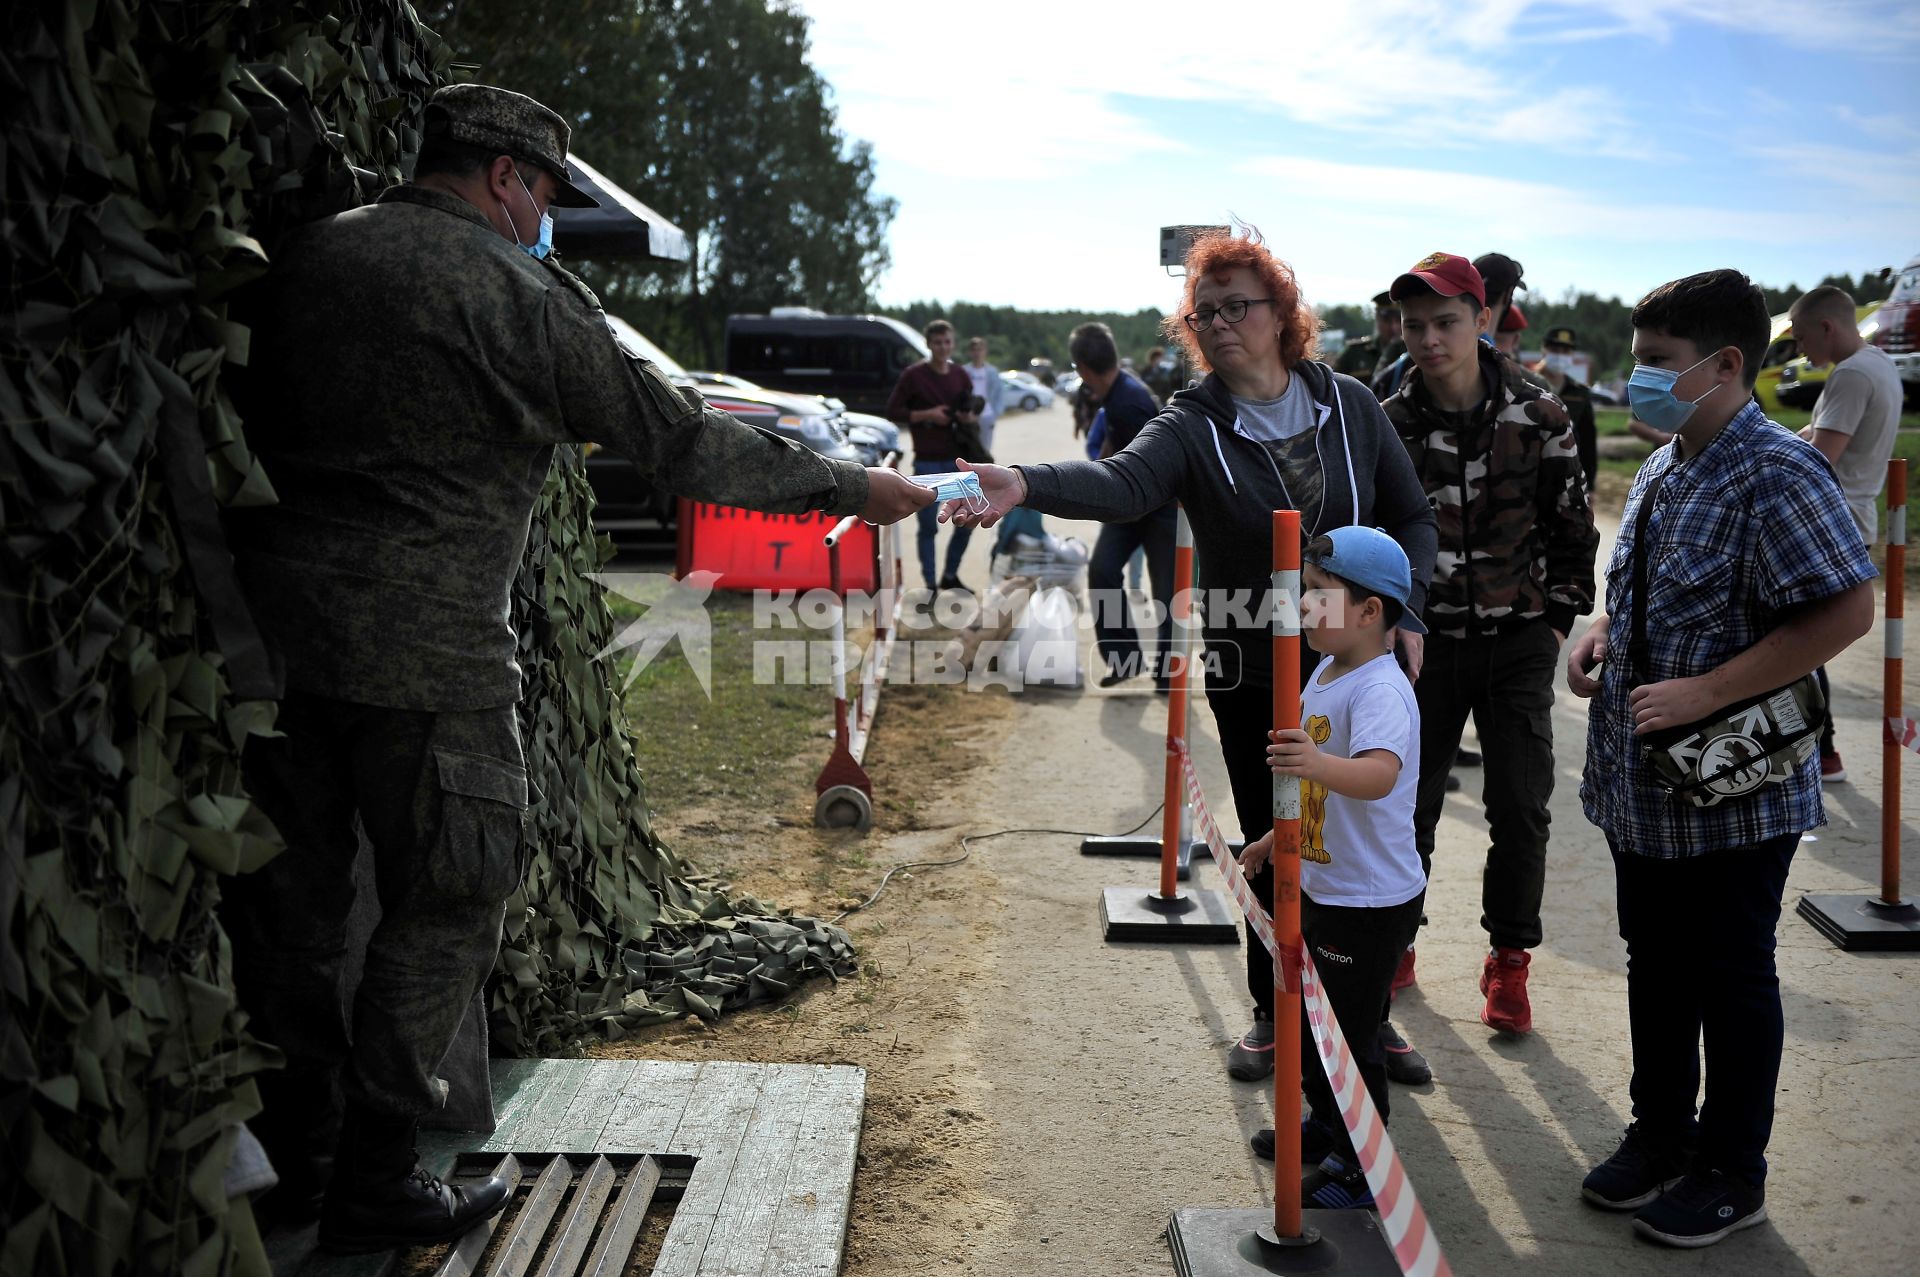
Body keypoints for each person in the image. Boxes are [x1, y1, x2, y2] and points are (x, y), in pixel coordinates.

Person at [222, 83, 930, 1254]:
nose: (544, 216)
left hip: (281, 653)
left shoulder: (308, 258)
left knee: (294, 912)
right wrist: (856, 488)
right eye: (544, 192)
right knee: (449, 899)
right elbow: (682, 438)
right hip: (434, 659)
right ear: (506, 177)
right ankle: (382, 1167)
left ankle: (296, 1154)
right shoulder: (513, 291)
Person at [936, 226, 1437, 1085]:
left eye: (1236, 305)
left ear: (1282, 313)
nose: (1217, 323)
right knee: (1271, 832)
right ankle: (1277, 1008)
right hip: (1253, 666)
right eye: (1202, 313)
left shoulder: (1351, 404)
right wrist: (1028, 481)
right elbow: (1125, 482)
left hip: (1360, 668)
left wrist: (1409, 612)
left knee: (1376, 831)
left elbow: (1414, 515)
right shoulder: (1193, 421)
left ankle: (1364, 1012)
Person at [1569, 268, 1875, 1249]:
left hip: (1734, 787)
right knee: (1657, 964)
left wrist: (1708, 691)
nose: (1639, 379)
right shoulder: (1668, 461)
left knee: (1730, 972)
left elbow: (1845, 607)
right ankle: (1662, 1133)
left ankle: (1731, 1168)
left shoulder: (1779, 470)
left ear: (1725, 364)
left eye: (1657, 362)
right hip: (1644, 790)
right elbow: (1657, 586)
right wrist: (1606, 630)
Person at [1383, 251, 1598, 1037]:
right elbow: (1365, 539)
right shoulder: (1387, 420)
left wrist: (1551, 627)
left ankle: (1510, 960)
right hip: (1419, 645)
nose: (1429, 338)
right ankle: (1396, 937)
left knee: (1520, 805)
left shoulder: (1540, 415)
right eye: (1414, 324)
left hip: (1516, 641)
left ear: (1482, 319)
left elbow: (1575, 535)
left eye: (1445, 321)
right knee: (1406, 805)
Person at [1237, 528, 1427, 1208]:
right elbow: (1312, 791)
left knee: (1351, 1036)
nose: (1303, 608)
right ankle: (1326, 1122)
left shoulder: (1379, 687)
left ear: (1371, 611)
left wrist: (1313, 763)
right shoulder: (1325, 670)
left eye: (1319, 596)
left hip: (1369, 902)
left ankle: (1362, 1166)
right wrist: (1269, 837)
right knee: (1317, 1025)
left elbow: (1379, 774)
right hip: (1324, 882)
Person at [1789, 284, 1903, 782]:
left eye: (1800, 337)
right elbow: (1818, 438)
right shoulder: (1878, 363)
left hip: (1833, 524)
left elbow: (1821, 458)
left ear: (1827, 327)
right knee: (1804, 642)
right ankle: (1822, 750)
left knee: (1799, 645)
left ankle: (1824, 752)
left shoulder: (1852, 374)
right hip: (1854, 519)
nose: (1799, 350)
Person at [1071, 322, 1177, 688]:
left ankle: (1168, 673)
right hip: (1130, 503)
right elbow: (1117, 451)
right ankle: (1126, 659)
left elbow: (1147, 464)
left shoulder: (1128, 400)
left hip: (1159, 504)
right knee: (1102, 571)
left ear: (1082, 368)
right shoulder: (1117, 392)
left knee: (1167, 592)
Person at [887, 318, 984, 594]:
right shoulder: (913, 375)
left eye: (947, 342)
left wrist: (968, 416)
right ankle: (930, 585)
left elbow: (971, 408)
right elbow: (894, 411)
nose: (943, 347)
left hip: (959, 462)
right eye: (937, 342)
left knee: (967, 520)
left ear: (953, 344)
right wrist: (927, 415)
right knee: (929, 526)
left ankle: (950, 576)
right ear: (928, 344)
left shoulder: (960, 375)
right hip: (927, 462)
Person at [1537, 325, 1599, 496]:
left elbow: (1588, 442)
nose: (1560, 355)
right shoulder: (1527, 384)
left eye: (1565, 351)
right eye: (1555, 349)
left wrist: (1591, 486)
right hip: (1531, 472)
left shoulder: (1579, 392)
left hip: (1567, 475)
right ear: (1544, 350)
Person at [1335, 290, 1402, 384]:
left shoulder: (1412, 353)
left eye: (1398, 321)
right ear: (1377, 320)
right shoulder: (1354, 353)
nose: (1393, 327)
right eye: (1387, 321)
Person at [964, 335, 1008, 457]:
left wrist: (995, 413)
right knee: (968, 450)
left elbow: (999, 393)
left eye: (980, 349)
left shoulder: (992, 371)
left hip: (987, 415)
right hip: (969, 415)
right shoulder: (964, 371)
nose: (977, 353)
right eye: (974, 349)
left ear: (985, 351)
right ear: (970, 352)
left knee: (985, 450)